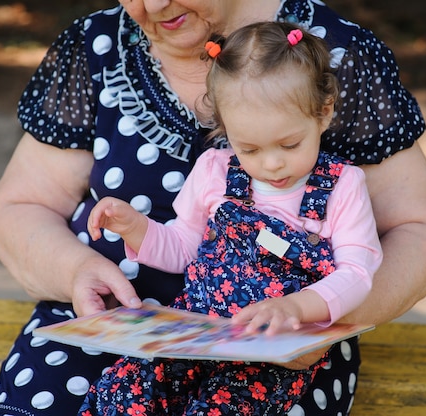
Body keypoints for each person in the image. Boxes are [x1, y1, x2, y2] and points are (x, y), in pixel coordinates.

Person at [0, 1, 426, 415]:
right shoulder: (95, 46)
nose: (155, 5)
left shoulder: (332, 56)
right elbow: (18, 205)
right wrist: (77, 266)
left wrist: (313, 322)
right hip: (121, 328)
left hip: (283, 350)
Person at [79, 21, 382, 415]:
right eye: (250, 148)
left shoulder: (341, 186)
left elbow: (358, 272)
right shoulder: (214, 172)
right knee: (125, 392)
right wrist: (136, 227)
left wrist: (297, 307)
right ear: (226, 129)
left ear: (323, 113)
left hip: (273, 352)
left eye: (290, 144)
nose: (272, 164)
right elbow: (185, 247)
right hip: (195, 331)